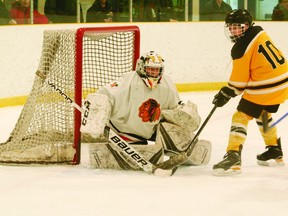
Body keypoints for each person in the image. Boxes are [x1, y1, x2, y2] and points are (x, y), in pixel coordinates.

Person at [81, 51, 212, 170]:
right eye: (150, 69)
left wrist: (182, 113)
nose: (154, 73)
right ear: (141, 67)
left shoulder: (167, 84)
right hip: (126, 131)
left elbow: (175, 107)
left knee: (174, 133)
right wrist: (96, 117)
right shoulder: (128, 81)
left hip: (152, 130)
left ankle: (185, 151)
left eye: (157, 70)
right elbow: (103, 95)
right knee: (141, 152)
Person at [212, 9, 288, 176]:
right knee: (262, 112)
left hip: (267, 85)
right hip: (283, 82)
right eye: (230, 27)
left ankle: (233, 157)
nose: (233, 31)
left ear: (246, 26)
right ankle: (274, 148)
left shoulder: (241, 47)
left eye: (237, 27)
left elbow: (238, 83)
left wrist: (227, 92)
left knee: (240, 116)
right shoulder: (259, 33)